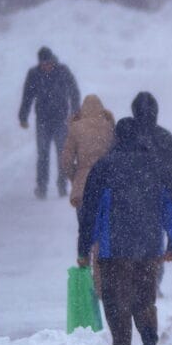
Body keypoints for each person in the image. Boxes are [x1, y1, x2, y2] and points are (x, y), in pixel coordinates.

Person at [78, 118, 172, 345]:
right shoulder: (156, 166)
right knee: (145, 299)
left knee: (116, 301)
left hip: (113, 249)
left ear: (117, 138)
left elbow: (91, 211)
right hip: (148, 247)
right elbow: (171, 206)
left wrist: (84, 248)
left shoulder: (104, 167)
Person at [61, 94, 115, 296]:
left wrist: (76, 177)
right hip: (106, 185)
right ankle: (102, 282)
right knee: (103, 235)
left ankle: (87, 280)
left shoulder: (75, 128)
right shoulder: (109, 126)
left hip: (83, 187)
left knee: (86, 231)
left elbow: (66, 161)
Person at [132, 90, 172, 297]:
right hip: (156, 195)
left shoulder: (127, 135)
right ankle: (153, 280)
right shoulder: (163, 135)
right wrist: (163, 172)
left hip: (131, 195)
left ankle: (138, 280)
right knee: (154, 240)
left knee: (133, 239)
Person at [18, 46, 81, 199]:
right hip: (42, 121)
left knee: (62, 154)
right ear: (39, 63)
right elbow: (27, 96)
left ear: (53, 60)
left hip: (61, 120)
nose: (46, 66)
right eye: (43, 63)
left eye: (48, 62)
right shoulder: (34, 74)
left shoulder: (63, 71)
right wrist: (23, 116)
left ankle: (62, 185)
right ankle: (42, 187)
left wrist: (75, 112)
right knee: (43, 154)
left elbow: (74, 91)